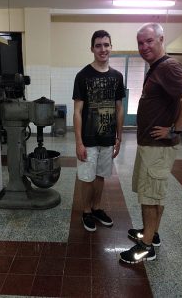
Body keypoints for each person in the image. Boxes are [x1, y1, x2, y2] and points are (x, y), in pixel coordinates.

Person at [120, 23, 182, 264]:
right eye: (140, 42)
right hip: (149, 145)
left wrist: (175, 129)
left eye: (149, 41)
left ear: (161, 39)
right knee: (149, 194)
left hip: (157, 148)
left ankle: (146, 246)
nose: (144, 46)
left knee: (151, 197)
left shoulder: (169, 66)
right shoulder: (157, 67)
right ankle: (151, 233)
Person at [72, 30, 125, 232]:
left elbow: (119, 109)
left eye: (106, 45)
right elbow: (77, 111)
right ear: (92, 48)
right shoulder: (83, 76)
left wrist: (119, 138)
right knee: (87, 178)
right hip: (88, 138)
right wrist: (78, 142)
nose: (103, 49)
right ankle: (86, 211)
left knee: (101, 175)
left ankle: (96, 208)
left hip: (107, 137)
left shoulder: (117, 77)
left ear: (111, 47)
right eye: (98, 45)